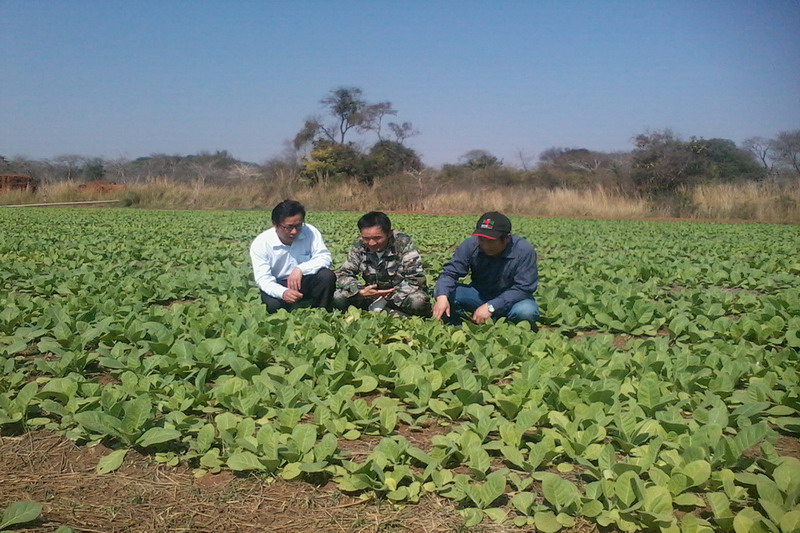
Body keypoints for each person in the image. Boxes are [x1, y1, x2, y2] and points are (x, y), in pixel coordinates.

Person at [433, 211, 539, 325]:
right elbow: (449, 273)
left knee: (526, 312)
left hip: (512, 300)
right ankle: (464, 325)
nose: (485, 245)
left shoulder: (524, 251)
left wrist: (491, 306)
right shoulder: (470, 245)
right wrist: (442, 297)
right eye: (482, 240)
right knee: (444, 292)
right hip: (479, 295)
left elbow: (523, 288)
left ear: (506, 238)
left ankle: (505, 326)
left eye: (491, 241)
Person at [334, 211, 431, 317]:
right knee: (338, 296)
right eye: (366, 238)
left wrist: (387, 297)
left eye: (377, 238)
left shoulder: (403, 243)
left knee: (418, 301)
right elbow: (344, 273)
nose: (372, 243)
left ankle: (385, 311)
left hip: (398, 294)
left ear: (389, 233)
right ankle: (388, 313)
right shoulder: (359, 244)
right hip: (370, 293)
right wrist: (360, 291)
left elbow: (416, 279)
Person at [250, 199, 336, 313]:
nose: (294, 231)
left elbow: (324, 257)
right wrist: (283, 292)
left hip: (304, 279)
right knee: (273, 305)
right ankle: (296, 305)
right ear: (275, 225)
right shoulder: (261, 243)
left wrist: (300, 269)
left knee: (326, 276)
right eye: (288, 227)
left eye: (299, 226)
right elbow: (263, 279)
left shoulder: (310, 232)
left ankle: (321, 312)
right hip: (278, 283)